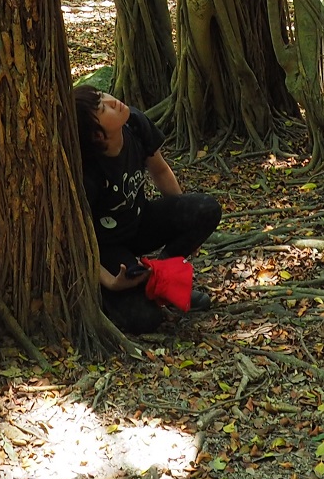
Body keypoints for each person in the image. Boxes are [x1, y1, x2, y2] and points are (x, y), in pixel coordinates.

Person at [74, 87, 220, 332]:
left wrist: (185, 226)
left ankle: (164, 278)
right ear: (97, 136)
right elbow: (76, 238)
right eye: (102, 108)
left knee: (205, 209)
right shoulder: (89, 173)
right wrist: (110, 282)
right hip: (108, 247)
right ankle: (131, 291)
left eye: (103, 96)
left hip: (139, 222)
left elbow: (160, 170)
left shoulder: (135, 124)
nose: (113, 101)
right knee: (145, 320)